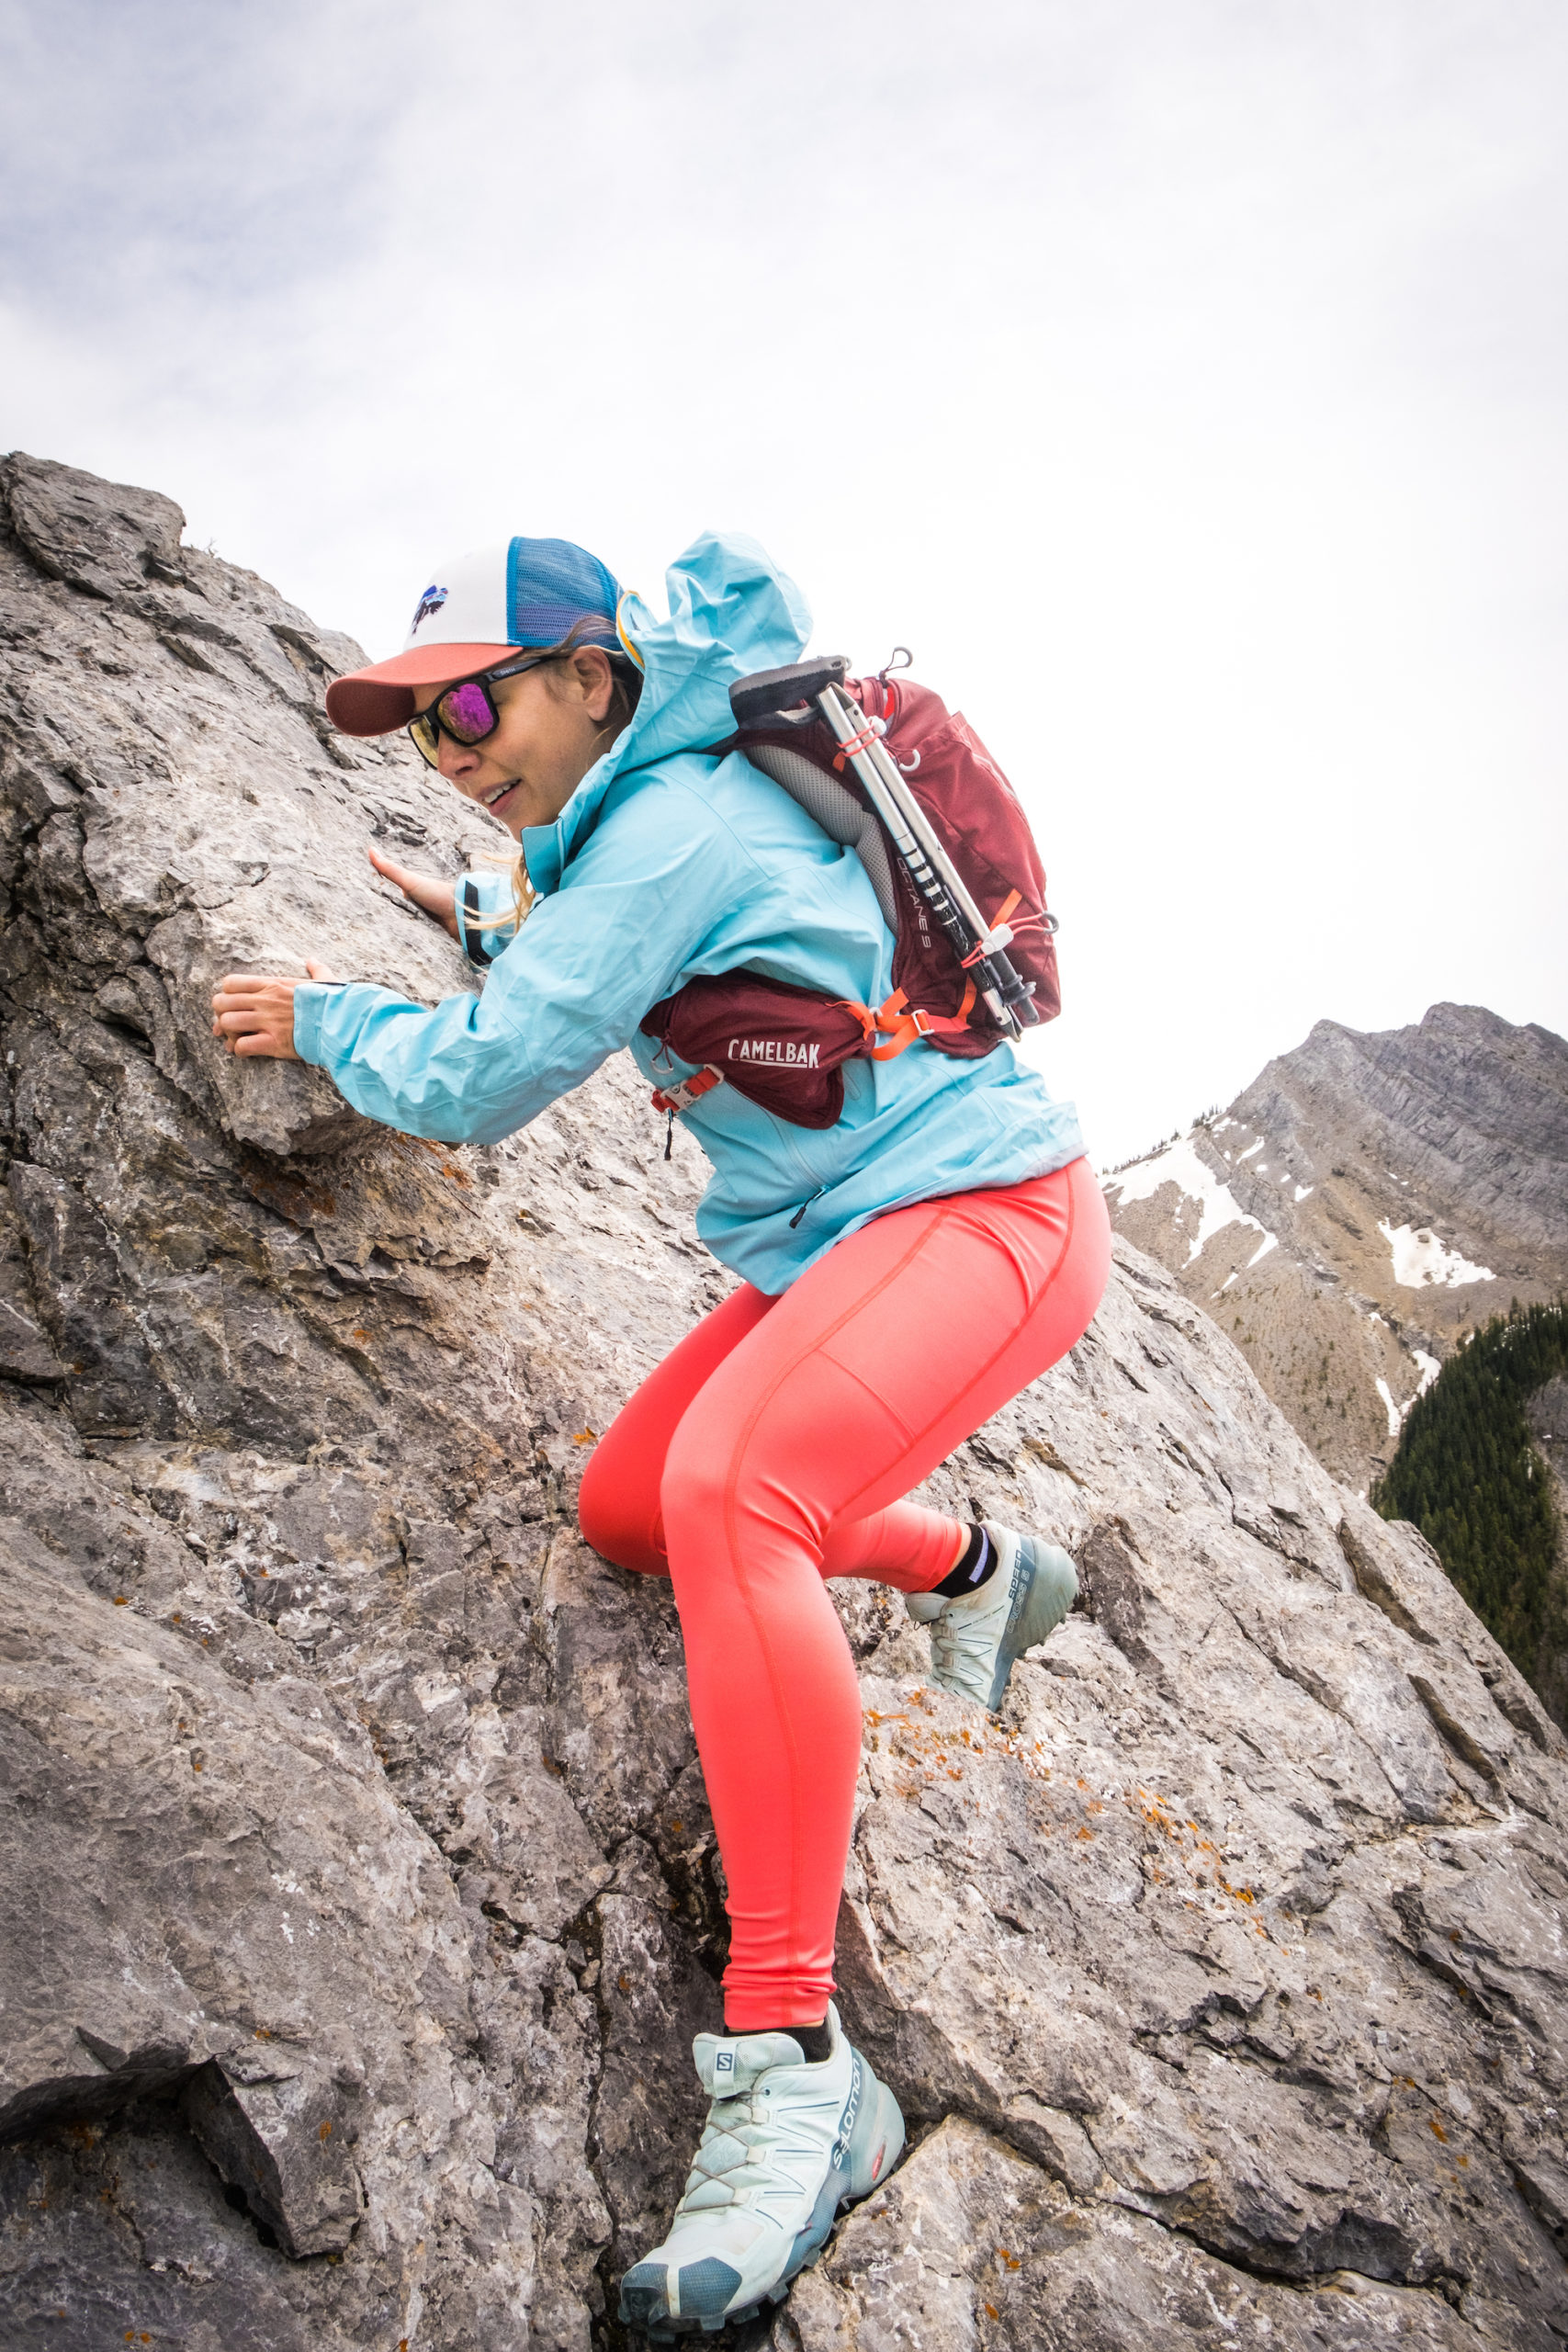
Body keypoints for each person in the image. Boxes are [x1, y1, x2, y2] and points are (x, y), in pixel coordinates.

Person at [210, 529, 1111, 2338]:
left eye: (471, 698)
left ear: (588, 682)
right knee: (635, 1504)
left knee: (734, 1493)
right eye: (414, 722)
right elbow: (655, 960)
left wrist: (329, 1019)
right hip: (854, 1242)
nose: (446, 745)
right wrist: (486, 922)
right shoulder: (651, 819)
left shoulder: (664, 821)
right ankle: (977, 1562)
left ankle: (794, 2061)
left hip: (984, 1220)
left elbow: (476, 1078)